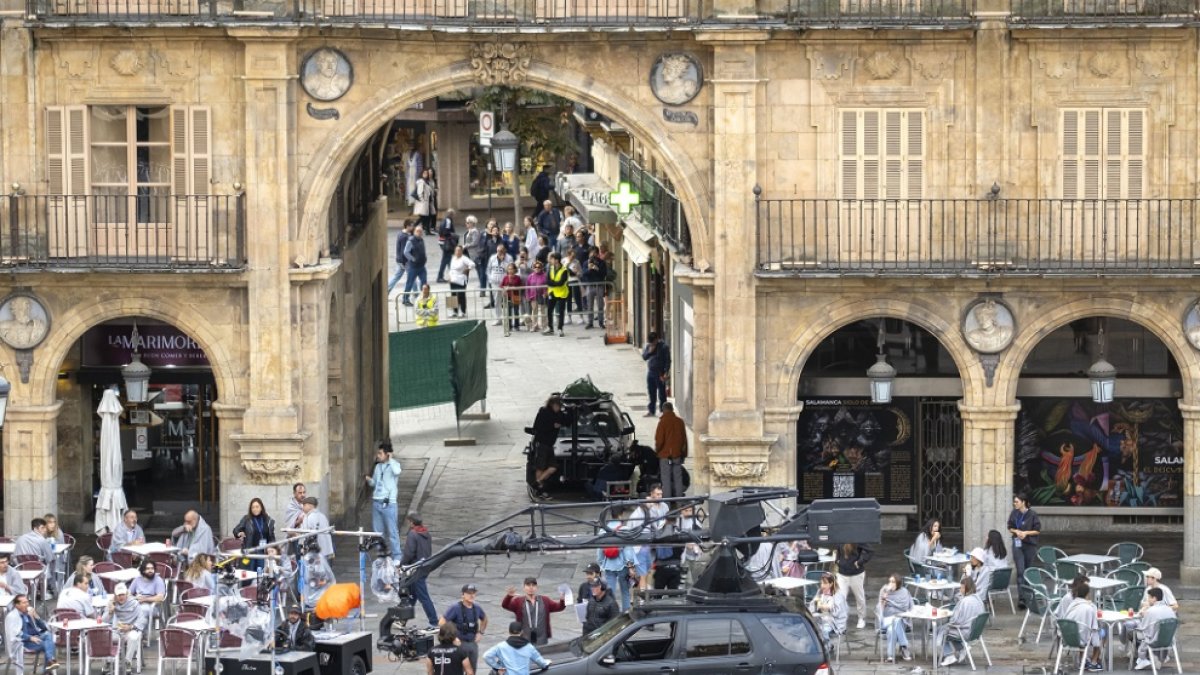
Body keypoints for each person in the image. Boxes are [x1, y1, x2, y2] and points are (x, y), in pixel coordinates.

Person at [365, 442, 404, 559]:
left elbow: (397, 472)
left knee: (392, 531)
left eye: (380, 453)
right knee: (378, 532)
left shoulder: (394, 465)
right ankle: (382, 554)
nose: (378, 455)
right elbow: (375, 483)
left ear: (387, 454)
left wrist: (391, 459)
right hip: (377, 502)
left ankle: (397, 556)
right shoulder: (378, 467)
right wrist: (368, 480)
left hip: (389, 503)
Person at [500, 578, 566, 647]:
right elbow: (505, 605)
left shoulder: (545, 600)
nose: (531, 587)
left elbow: (559, 607)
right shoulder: (518, 601)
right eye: (528, 585)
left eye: (533, 585)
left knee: (540, 655)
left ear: (536, 588)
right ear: (524, 588)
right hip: (524, 637)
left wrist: (562, 601)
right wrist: (509, 597)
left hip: (541, 638)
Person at [937, 577, 987, 667]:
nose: (960, 590)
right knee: (947, 629)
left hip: (965, 632)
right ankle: (962, 648)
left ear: (966, 588)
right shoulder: (979, 600)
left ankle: (949, 655)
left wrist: (949, 622)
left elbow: (956, 621)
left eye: (961, 588)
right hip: (975, 632)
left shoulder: (964, 602)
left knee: (941, 630)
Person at [597, 507, 639, 612]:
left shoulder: (603, 530)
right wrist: (631, 566)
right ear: (621, 515)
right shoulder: (624, 530)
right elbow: (628, 550)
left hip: (608, 565)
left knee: (610, 591)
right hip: (622, 566)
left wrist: (601, 564)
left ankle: (611, 613)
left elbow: (600, 550)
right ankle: (626, 613)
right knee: (625, 591)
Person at [401, 513, 438, 628]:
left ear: (412, 522)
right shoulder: (426, 533)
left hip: (415, 569)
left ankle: (433, 621)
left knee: (423, 596)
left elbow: (409, 553)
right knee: (412, 595)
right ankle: (402, 619)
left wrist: (402, 564)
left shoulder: (413, 534)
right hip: (425, 566)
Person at [1058, 580, 1105, 672]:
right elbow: (1094, 628)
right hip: (1081, 639)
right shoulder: (1089, 608)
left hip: (1066, 638)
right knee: (1103, 633)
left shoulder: (1072, 604)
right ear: (1087, 594)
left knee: (1082, 631)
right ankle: (1094, 662)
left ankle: (1083, 660)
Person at [528, 396, 569, 500]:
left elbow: (567, 421)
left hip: (549, 445)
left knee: (553, 467)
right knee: (540, 467)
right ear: (553, 405)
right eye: (557, 406)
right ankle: (540, 491)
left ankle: (536, 484)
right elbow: (538, 427)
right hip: (541, 443)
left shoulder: (558, 415)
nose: (558, 408)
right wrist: (552, 426)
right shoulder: (544, 412)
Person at [441, 584, 487, 672]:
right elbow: (442, 622)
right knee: (457, 670)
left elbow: (484, 618)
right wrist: (452, 637)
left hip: (472, 643)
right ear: (463, 595)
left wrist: (481, 632)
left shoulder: (476, 607)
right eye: (469, 593)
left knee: (472, 670)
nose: (472, 595)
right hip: (459, 644)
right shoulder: (455, 608)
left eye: (473, 593)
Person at [1007, 492, 1041, 610]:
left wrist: (1026, 533)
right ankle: (1021, 598)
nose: (1014, 503)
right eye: (1014, 501)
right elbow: (1010, 526)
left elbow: (1037, 530)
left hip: (1030, 545)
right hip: (1017, 544)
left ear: (1023, 502)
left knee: (1028, 570)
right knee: (1020, 570)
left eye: (1016, 501)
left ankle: (1028, 595)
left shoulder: (1032, 515)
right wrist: (1016, 532)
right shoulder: (1014, 513)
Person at [1131, 587, 1176, 670]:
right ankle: (1159, 658)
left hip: (1154, 640)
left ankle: (1142, 658)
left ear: (1154, 598)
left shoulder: (1151, 611)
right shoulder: (1170, 610)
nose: (1148, 600)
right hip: (1169, 641)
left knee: (1137, 634)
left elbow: (1143, 627)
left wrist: (1142, 616)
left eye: (1149, 598)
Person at [9, 595, 58, 671]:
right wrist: (30, 638)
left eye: (27, 602)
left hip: (36, 636)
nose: (27, 604)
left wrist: (36, 616)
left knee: (48, 635)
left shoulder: (27, 613)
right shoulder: (13, 616)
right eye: (24, 603)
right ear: (17, 605)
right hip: (24, 642)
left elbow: (44, 628)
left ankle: (49, 662)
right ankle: (48, 666)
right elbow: (16, 633)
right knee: (49, 645)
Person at [483, 621, 550, 675]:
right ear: (521, 632)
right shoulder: (529, 647)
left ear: (509, 632)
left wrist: (498, 667)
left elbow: (486, 656)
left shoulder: (501, 646)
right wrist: (546, 664)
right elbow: (540, 661)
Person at [105, 583, 145, 671]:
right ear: (115, 595)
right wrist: (110, 612)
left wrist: (131, 627)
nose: (121, 597)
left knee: (134, 637)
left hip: (130, 630)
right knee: (106, 636)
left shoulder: (134, 603)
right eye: (119, 595)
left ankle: (128, 662)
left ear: (126, 594)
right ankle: (108, 661)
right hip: (116, 630)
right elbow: (104, 622)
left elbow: (142, 620)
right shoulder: (111, 603)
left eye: (122, 594)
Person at [877, 573, 914, 663]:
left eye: (893, 582)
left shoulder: (904, 592)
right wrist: (884, 599)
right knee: (895, 621)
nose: (891, 584)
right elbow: (880, 609)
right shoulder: (884, 590)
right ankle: (904, 646)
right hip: (886, 619)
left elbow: (905, 607)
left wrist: (892, 605)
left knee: (892, 628)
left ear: (898, 583)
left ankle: (890, 656)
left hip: (902, 620)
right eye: (890, 581)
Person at [654, 402, 688, 498]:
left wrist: (657, 451)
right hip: (677, 455)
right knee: (678, 479)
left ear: (664, 410)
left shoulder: (663, 422)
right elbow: (684, 440)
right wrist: (683, 454)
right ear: (672, 409)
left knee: (666, 480)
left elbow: (659, 440)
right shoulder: (680, 422)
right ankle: (679, 502)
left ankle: (667, 504)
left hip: (665, 456)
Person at [233, 498, 277, 569]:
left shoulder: (268, 521)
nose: (255, 509)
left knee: (260, 575)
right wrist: (239, 533)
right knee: (249, 573)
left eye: (257, 507)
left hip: (262, 552)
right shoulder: (246, 519)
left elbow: (272, 538)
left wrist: (271, 548)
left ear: (261, 508)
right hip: (250, 551)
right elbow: (235, 530)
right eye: (253, 507)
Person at [836, 543, 871, 630]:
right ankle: (841, 619)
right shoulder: (840, 535)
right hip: (842, 574)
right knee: (840, 597)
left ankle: (861, 618)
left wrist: (860, 562)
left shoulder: (857, 536)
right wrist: (837, 561)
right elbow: (838, 549)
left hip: (856, 574)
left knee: (859, 597)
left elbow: (870, 550)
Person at [809, 572, 848, 643]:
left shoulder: (838, 595)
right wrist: (816, 604)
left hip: (834, 622)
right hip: (821, 619)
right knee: (809, 629)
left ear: (831, 584)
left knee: (822, 631)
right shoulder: (820, 591)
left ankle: (827, 648)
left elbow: (838, 613)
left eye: (825, 583)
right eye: (821, 583)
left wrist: (828, 608)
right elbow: (812, 605)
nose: (822, 585)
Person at [126, 560, 166, 627]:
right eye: (148, 569)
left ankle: (138, 631)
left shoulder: (158, 580)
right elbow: (128, 593)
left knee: (141, 610)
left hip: (153, 606)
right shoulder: (137, 579)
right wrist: (135, 598)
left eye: (152, 568)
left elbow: (160, 597)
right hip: (137, 602)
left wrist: (144, 599)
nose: (150, 571)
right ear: (143, 570)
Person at [642, 332, 670, 417]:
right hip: (650, 372)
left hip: (660, 373)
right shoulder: (649, 346)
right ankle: (651, 410)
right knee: (651, 392)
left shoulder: (664, 347)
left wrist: (666, 372)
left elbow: (667, 361)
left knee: (662, 393)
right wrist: (650, 351)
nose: (652, 343)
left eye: (653, 342)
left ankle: (663, 411)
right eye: (650, 342)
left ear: (657, 339)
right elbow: (644, 357)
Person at [402, 226, 429, 307]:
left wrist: (425, 258)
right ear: (414, 232)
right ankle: (405, 299)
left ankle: (423, 299)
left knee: (424, 282)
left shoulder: (421, 240)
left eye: (420, 231)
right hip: (413, 267)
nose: (420, 233)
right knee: (409, 283)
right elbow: (406, 252)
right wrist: (413, 259)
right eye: (418, 231)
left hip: (421, 266)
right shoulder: (411, 241)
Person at [544, 253, 569, 337]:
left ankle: (560, 329)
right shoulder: (550, 268)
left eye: (552, 259)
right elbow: (547, 280)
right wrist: (554, 283)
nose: (550, 261)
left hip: (562, 293)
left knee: (561, 312)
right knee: (549, 310)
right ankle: (550, 328)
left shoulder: (564, 270)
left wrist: (552, 283)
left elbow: (561, 283)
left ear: (556, 260)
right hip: (552, 292)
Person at [447, 245, 475, 318]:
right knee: (453, 295)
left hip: (461, 279)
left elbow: (472, 264)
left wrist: (467, 269)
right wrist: (449, 276)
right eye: (456, 250)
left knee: (461, 295)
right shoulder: (453, 258)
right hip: (453, 279)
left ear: (461, 251)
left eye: (459, 250)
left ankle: (463, 311)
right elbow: (451, 268)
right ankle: (454, 311)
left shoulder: (464, 258)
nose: (457, 252)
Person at [387, 220, 415, 294]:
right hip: (405, 261)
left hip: (400, 260)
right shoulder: (404, 237)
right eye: (412, 226)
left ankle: (386, 290)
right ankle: (417, 293)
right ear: (408, 226)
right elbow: (404, 251)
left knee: (397, 276)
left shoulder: (401, 233)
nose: (413, 227)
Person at [525, 260, 548, 333]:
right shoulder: (530, 276)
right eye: (535, 267)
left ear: (541, 267)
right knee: (534, 311)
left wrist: (546, 293)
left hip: (542, 296)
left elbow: (548, 286)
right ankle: (535, 326)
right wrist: (527, 296)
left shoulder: (545, 275)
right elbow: (527, 287)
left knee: (543, 311)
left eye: (539, 267)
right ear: (533, 268)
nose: (537, 268)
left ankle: (544, 326)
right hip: (533, 296)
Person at [435, 209, 458, 283]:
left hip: (443, 242)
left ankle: (452, 275)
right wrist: (453, 235)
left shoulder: (444, 220)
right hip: (447, 243)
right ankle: (440, 276)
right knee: (445, 260)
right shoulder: (448, 221)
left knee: (448, 260)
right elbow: (446, 232)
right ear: (451, 214)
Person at [500, 264, 523, 332]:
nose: (510, 270)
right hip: (507, 297)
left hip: (516, 296)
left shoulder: (517, 277)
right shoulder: (505, 277)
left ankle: (516, 325)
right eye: (509, 269)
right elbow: (501, 285)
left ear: (515, 270)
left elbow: (521, 286)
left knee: (516, 311)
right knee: (508, 312)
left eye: (512, 269)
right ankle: (509, 326)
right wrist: (504, 288)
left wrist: (515, 288)